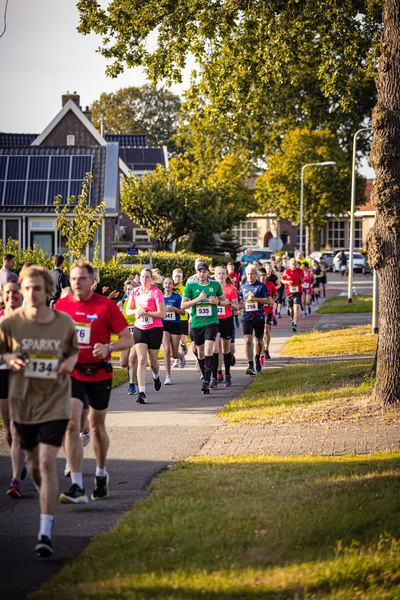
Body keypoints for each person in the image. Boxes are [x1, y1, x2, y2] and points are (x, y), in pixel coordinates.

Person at [0, 265, 79, 557]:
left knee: (47, 463)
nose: (31, 293)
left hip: (55, 402)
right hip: (23, 403)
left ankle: (45, 530)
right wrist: (8, 355)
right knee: (34, 465)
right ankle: (44, 494)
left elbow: (72, 351)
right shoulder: (10, 324)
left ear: (48, 291)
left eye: (37, 288)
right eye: (27, 288)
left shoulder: (63, 322)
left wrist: (69, 364)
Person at [56, 261, 132, 504]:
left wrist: (108, 347)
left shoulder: (106, 306)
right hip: (72, 372)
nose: (77, 283)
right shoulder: (62, 305)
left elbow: (127, 339)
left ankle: (101, 474)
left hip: (100, 373)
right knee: (71, 425)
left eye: (82, 279)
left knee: (97, 427)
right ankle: (76, 484)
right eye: (74, 278)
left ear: (92, 281)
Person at [182, 262, 227, 393]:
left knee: (209, 350)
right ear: (197, 273)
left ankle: (207, 382)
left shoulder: (215, 285)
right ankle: (205, 376)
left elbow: (224, 302)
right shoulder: (190, 286)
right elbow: (183, 305)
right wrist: (198, 299)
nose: (202, 274)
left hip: (212, 322)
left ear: (208, 273)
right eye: (199, 271)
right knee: (200, 353)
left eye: (204, 271)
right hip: (196, 324)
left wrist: (217, 302)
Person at [0, 281, 26, 498]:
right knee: (9, 431)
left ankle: (15, 480)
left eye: (15, 292)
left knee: (17, 430)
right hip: (3, 375)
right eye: (7, 292)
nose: (11, 295)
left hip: (25, 377)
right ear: (3, 295)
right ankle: (22, 461)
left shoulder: (30, 319)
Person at [125, 268, 166, 404]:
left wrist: (147, 313)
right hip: (140, 328)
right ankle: (141, 392)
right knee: (141, 360)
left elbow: (162, 314)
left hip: (155, 328)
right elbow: (128, 310)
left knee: (152, 362)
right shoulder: (135, 292)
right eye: (142, 277)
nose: (144, 279)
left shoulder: (157, 292)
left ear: (151, 278)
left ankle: (156, 376)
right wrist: (137, 311)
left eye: (147, 277)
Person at [239, 265, 273, 374]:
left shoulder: (261, 286)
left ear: (256, 275)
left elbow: (269, 301)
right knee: (248, 340)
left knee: (259, 342)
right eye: (248, 274)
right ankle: (250, 365)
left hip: (259, 317)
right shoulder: (243, 287)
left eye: (252, 274)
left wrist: (255, 299)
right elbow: (240, 300)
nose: (250, 276)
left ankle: (257, 358)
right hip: (246, 318)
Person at [214, 266, 239, 387]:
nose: (221, 276)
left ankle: (227, 374)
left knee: (226, 350)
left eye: (223, 274)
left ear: (226, 275)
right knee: (215, 348)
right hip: (215, 321)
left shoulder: (231, 289)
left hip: (227, 320)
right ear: (215, 275)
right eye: (219, 274)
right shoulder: (212, 289)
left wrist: (228, 303)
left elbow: (237, 307)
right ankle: (218, 373)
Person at [162, 277, 186, 384]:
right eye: (166, 283)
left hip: (175, 325)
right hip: (164, 325)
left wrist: (173, 309)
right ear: (163, 285)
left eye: (170, 283)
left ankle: (181, 355)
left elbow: (183, 312)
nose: (167, 285)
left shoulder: (177, 297)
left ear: (173, 286)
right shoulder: (160, 297)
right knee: (166, 350)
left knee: (174, 354)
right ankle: (168, 376)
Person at [118, 279, 138, 395]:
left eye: (132, 289)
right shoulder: (122, 304)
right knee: (123, 363)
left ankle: (132, 384)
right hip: (124, 335)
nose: (130, 291)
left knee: (132, 359)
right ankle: (130, 370)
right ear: (125, 291)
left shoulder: (139, 302)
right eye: (128, 289)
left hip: (137, 333)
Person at [259, 268, 278, 360]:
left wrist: (272, 302)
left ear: (266, 276)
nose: (262, 277)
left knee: (266, 330)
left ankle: (266, 349)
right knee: (260, 331)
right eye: (261, 275)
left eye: (264, 275)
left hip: (268, 311)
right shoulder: (256, 285)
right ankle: (261, 348)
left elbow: (276, 295)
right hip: (258, 311)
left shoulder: (270, 284)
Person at [281, 257, 304, 332]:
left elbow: (302, 278)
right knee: (291, 310)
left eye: (295, 264)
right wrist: (287, 282)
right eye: (292, 264)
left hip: (298, 292)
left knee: (296, 308)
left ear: (296, 264)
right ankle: (293, 319)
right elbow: (282, 280)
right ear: (289, 264)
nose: (293, 266)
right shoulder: (286, 271)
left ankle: (295, 324)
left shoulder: (300, 271)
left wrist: (302, 280)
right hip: (289, 292)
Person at [172, 268, 189, 367]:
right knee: (175, 340)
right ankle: (177, 359)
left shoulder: (185, 288)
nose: (177, 278)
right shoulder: (170, 288)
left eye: (179, 276)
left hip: (183, 317)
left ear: (182, 278)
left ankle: (183, 347)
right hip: (173, 318)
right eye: (175, 276)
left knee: (182, 339)